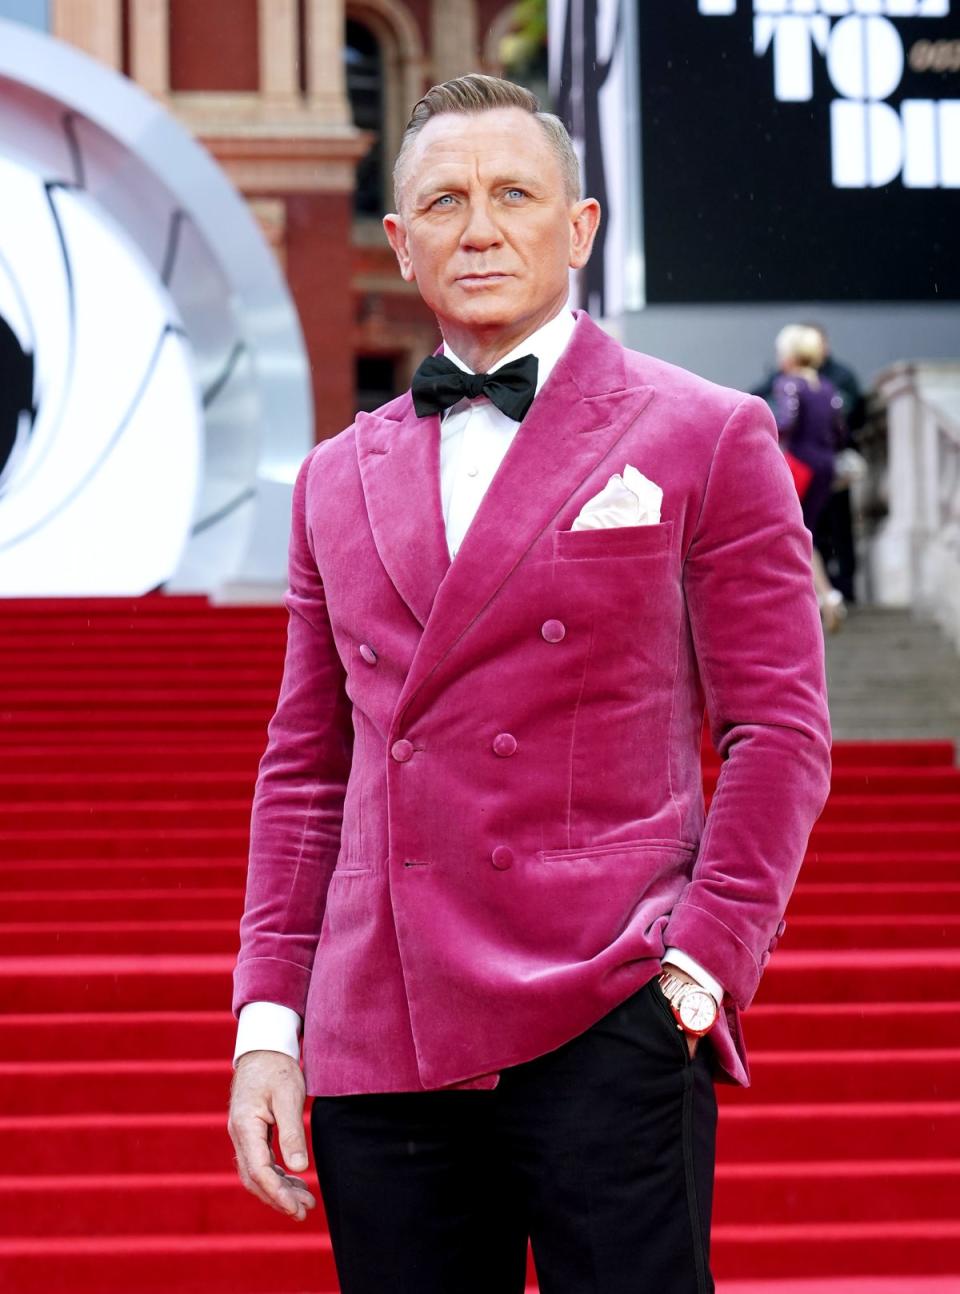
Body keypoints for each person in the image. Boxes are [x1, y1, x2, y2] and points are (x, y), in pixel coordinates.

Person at [228, 74, 832, 1294]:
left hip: (607, 1007)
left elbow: (780, 731)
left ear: (582, 227)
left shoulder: (703, 434)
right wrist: (267, 1027)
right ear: (401, 243)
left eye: (515, 194)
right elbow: (306, 772)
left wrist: (700, 968)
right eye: (445, 202)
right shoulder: (333, 480)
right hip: (378, 1034)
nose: (482, 227)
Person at [770, 324, 848, 633]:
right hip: (825, 464)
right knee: (808, 530)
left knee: (797, 531)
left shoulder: (789, 384)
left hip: (799, 465)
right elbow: (840, 431)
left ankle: (817, 596)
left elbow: (786, 422)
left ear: (789, 354)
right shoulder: (827, 387)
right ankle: (826, 594)